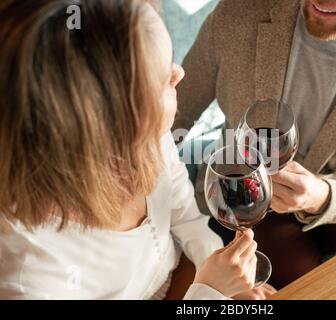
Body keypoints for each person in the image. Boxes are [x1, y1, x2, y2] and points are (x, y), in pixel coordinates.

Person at [0, 0, 276, 300]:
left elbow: (185, 217)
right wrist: (209, 292)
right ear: (108, 126)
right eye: (161, 80)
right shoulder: (29, 280)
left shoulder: (150, 139)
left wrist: (230, 285)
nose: (180, 73)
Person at [174, 0, 336, 288]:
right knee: (303, 286)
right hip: (246, 190)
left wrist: (321, 196)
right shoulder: (239, 13)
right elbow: (176, 112)